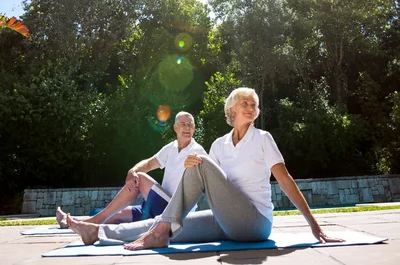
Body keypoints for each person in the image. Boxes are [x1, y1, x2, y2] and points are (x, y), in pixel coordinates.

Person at [67, 88, 344, 248]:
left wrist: (315, 226)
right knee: (164, 224)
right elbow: (212, 185)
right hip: (225, 219)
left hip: (254, 223)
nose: (250, 107)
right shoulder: (219, 145)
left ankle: (159, 231)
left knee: (196, 169)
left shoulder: (263, 139)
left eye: (253, 104)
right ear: (231, 110)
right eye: (243, 103)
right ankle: (98, 233)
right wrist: (192, 171)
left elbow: (285, 181)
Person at [57, 111, 206, 228]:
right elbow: (148, 164)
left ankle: (90, 222)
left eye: (190, 125)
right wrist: (132, 171)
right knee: (114, 215)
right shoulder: (171, 148)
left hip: (175, 210)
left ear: (194, 128)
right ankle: (70, 221)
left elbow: (207, 174)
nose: (187, 128)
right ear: (175, 127)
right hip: (158, 206)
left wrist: (197, 164)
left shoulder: (197, 151)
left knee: (140, 178)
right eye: (183, 124)